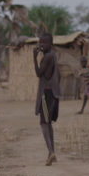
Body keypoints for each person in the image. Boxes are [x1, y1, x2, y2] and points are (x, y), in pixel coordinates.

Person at [33, 33, 60, 166]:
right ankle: (52, 153)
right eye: (40, 43)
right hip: (53, 93)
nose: (41, 45)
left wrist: (34, 57)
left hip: (46, 93)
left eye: (44, 43)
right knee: (48, 123)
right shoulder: (53, 56)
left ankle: (50, 151)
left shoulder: (47, 57)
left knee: (44, 123)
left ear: (50, 44)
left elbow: (39, 74)